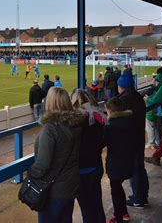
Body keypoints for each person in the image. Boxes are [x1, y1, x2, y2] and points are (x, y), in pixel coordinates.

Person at [28, 87, 84, 222]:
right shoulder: (77, 123)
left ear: (49, 102)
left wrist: (29, 176)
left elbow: (42, 164)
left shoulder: (50, 129)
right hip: (70, 185)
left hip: (54, 191)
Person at [71, 89, 105, 223]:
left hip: (81, 170)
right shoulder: (98, 116)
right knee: (96, 204)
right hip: (95, 166)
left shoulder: (75, 121)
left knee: (87, 208)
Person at [116, 72, 149, 209]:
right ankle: (141, 196)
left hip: (130, 139)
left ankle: (138, 199)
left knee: (134, 168)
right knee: (139, 167)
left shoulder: (124, 100)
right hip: (138, 136)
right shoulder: (136, 96)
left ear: (121, 86)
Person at [104, 97, 136, 223]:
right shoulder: (130, 121)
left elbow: (102, 142)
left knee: (115, 191)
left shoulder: (111, 126)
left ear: (111, 110)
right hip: (128, 160)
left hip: (116, 164)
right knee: (118, 188)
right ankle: (123, 213)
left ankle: (118, 218)